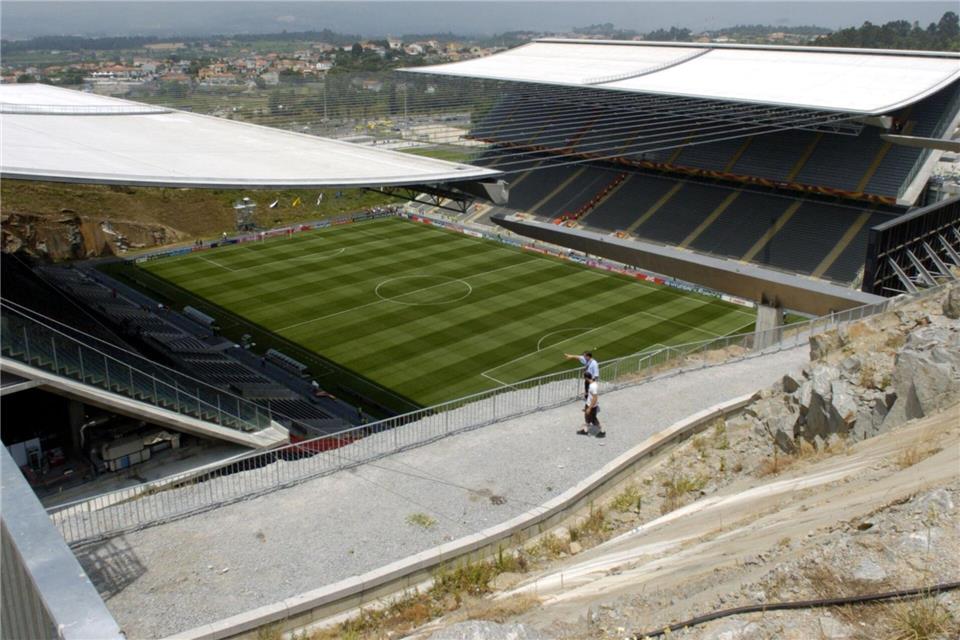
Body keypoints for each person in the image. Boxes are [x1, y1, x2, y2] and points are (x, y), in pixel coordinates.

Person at [577, 373, 604, 438]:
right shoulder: (593, 384)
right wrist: (586, 393)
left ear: (586, 378)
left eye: (584, 377)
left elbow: (595, 398)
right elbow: (591, 394)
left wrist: (589, 408)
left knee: (593, 419)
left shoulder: (592, 386)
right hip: (589, 404)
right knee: (588, 417)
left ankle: (601, 431)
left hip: (591, 405)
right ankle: (585, 431)